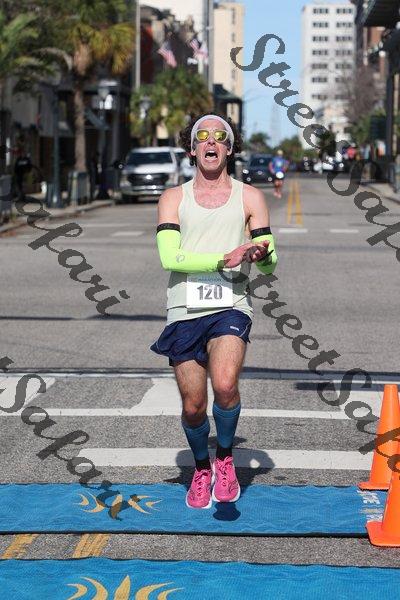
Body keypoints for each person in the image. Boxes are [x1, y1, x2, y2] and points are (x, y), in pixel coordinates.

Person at [150, 113, 278, 509]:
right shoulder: (173, 198)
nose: (210, 141)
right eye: (202, 136)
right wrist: (224, 259)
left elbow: (270, 261)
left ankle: (224, 458)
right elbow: (170, 257)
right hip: (184, 307)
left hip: (231, 304)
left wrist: (260, 254)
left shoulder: (250, 197)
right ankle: (201, 467)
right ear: (192, 149)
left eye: (219, 136)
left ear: (229, 148)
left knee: (224, 385)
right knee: (193, 406)